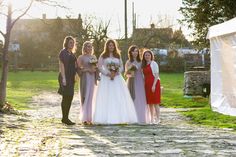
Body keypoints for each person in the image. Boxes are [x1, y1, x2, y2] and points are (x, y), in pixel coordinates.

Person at [92, 39, 137, 124]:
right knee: (106, 96)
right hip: (106, 78)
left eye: (112, 45)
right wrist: (107, 73)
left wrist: (116, 72)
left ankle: (119, 117)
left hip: (117, 78)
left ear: (114, 46)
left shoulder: (118, 55)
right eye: (109, 45)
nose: (111, 47)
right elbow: (99, 66)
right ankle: (104, 118)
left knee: (118, 96)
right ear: (107, 46)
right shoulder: (103, 56)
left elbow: (121, 67)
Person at [125, 45, 150, 124]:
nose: (135, 52)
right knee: (133, 98)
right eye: (133, 51)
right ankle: (133, 118)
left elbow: (145, 71)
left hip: (140, 81)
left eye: (136, 51)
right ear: (130, 52)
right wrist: (130, 73)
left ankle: (141, 118)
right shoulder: (128, 62)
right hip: (132, 81)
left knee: (141, 98)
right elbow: (126, 74)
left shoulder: (141, 61)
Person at [58, 36, 77, 125]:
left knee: (70, 97)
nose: (72, 44)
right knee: (66, 97)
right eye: (70, 42)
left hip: (71, 77)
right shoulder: (63, 52)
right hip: (64, 77)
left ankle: (66, 117)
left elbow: (75, 66)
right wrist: (64, 78)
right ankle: (64, 118)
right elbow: (61, 65)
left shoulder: (72, 53)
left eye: (73, 43)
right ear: (66, 43)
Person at [77, 41, 97, 125]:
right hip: (85, 78)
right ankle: (84, 118)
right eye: (88, 46)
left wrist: (95, 69)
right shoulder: (81, 57)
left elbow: (96, 68)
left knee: (91, 97)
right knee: (84, 96)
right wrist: (87, 70)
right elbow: (78, 69)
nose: (89, 48)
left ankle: (90, 117)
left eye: (91, 46)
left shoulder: (94, 57)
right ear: (84, 48)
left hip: (92, 79)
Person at [142, 50, 161, 124]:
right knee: (150, 103)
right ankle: (152, 119)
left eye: (148, 55)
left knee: (156, 102)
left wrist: (154, 85)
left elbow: (156, 75)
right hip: (147, 84)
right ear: (144, 56)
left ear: (151, 56)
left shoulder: (154, 63)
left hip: (154, 84)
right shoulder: (143, 65)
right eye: (146, 55)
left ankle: (158, 118)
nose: (147, 56)